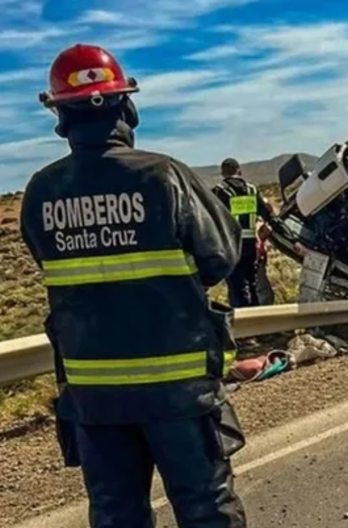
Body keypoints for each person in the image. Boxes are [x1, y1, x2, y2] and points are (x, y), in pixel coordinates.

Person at [20, 44, 247, 528]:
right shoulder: (164, 176)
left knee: (116, 515)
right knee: (206, 508)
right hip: (178, 391)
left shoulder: (41, 191)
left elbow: (52, 265)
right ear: (127, 108)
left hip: (95, 398)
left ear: (61, 119)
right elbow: (221, 257)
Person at [212, 158, 274, 307]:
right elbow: (267, 213)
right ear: (239, 171)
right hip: (250, 245)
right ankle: (257, 319)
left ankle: (243, 321)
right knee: (252, 284)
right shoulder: (252, 190)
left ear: (223, 173)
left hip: (231, 246)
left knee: (236, 286)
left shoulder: (220, 191)